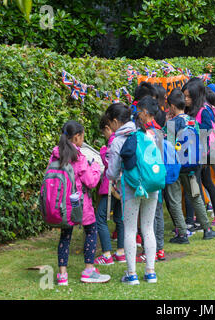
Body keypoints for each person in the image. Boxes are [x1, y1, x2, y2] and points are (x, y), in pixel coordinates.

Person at [51, 120, 110, 285]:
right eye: (82, 136)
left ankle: (62, 275)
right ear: (76, 137)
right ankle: (89, 270)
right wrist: (96, 168)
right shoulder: (78, 157)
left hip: (62, 204)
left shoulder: (56, 154)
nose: (83, 139)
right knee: (91, 231)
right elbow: (90, 182)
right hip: (79, 203)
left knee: (65, 236)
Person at [105, 103, 157, 285]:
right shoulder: (146, 134)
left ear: (114, 121)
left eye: (109, 123)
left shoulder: (118, 140)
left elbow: (111, 173)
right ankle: (151, 272)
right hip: (152, 186)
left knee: (130, 229)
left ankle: (132, 274)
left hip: (131, 188)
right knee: (148, 228)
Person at [164, 88, 215, 243]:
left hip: (176, 168)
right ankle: (207, 229)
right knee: (196, 197)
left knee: (175, 199)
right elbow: (202, 142)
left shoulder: (171, 124)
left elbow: (167, 146)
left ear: (173, 107)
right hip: (193, 168)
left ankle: (182, 234)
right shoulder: (193, 121)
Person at [183, 79, 215, 227]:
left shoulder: (203, 111)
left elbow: (206, 133)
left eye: (188, 96)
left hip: (202, 155)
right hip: (197, 154)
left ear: (196, 96)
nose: (185, 99)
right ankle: (213, 215)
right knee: (205, 183)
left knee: (198, 185)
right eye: (184, 96)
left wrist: (192, 125)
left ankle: (202, 218)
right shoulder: (190, 111)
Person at [136, 96, 167, 263]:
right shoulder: (160, 131)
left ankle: (150, 251)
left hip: (147, 176)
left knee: (149, 215)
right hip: (159, 173)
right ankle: (159, 249)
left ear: (146, 112)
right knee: (158, 213)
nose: (138, 114)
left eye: (139, 111)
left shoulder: (144, 132)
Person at [94, 115, 125, 266]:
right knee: (120, 218)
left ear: (108, 128)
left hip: (111, 186)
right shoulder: (125, 137)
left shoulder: (113, 141)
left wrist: (102, 151)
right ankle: (121, 252)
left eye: (103, 132)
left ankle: (107, 254)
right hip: (123, 185)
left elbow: (110, 162)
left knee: (100, 217)